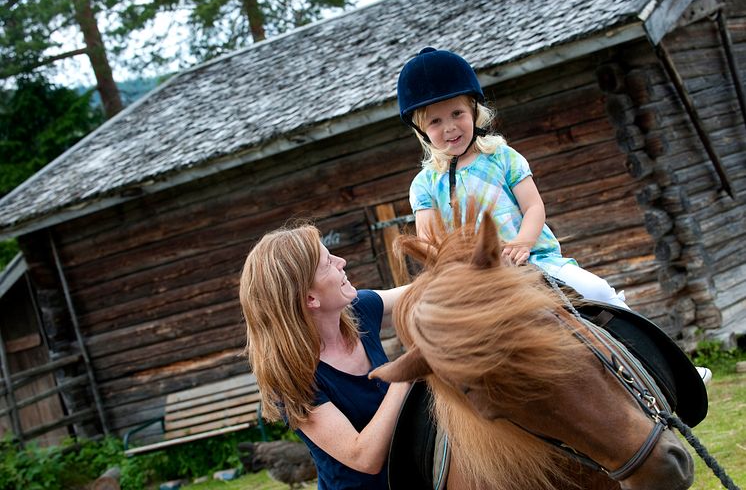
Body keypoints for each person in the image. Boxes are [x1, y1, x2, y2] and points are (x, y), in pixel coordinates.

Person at [396, 46, 711, 384]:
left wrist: (522, 242)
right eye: (436, 120)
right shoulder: (424, 185)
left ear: (474, 110)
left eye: (457, 113)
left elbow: (533, 207)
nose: (450, 128)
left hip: (533, 261)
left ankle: (671, 370)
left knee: (599, 291)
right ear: (421, 130)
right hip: (477, 281)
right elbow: (429, 243)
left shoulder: (503, 158)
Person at [239, 223, 411, 489]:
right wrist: (405, 374)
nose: (342, 262)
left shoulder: (358, 310)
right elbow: (363, 457)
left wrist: (485, 266)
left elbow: (420, 291)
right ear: (310, 299)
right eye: (328, 263)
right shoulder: (292, 379)